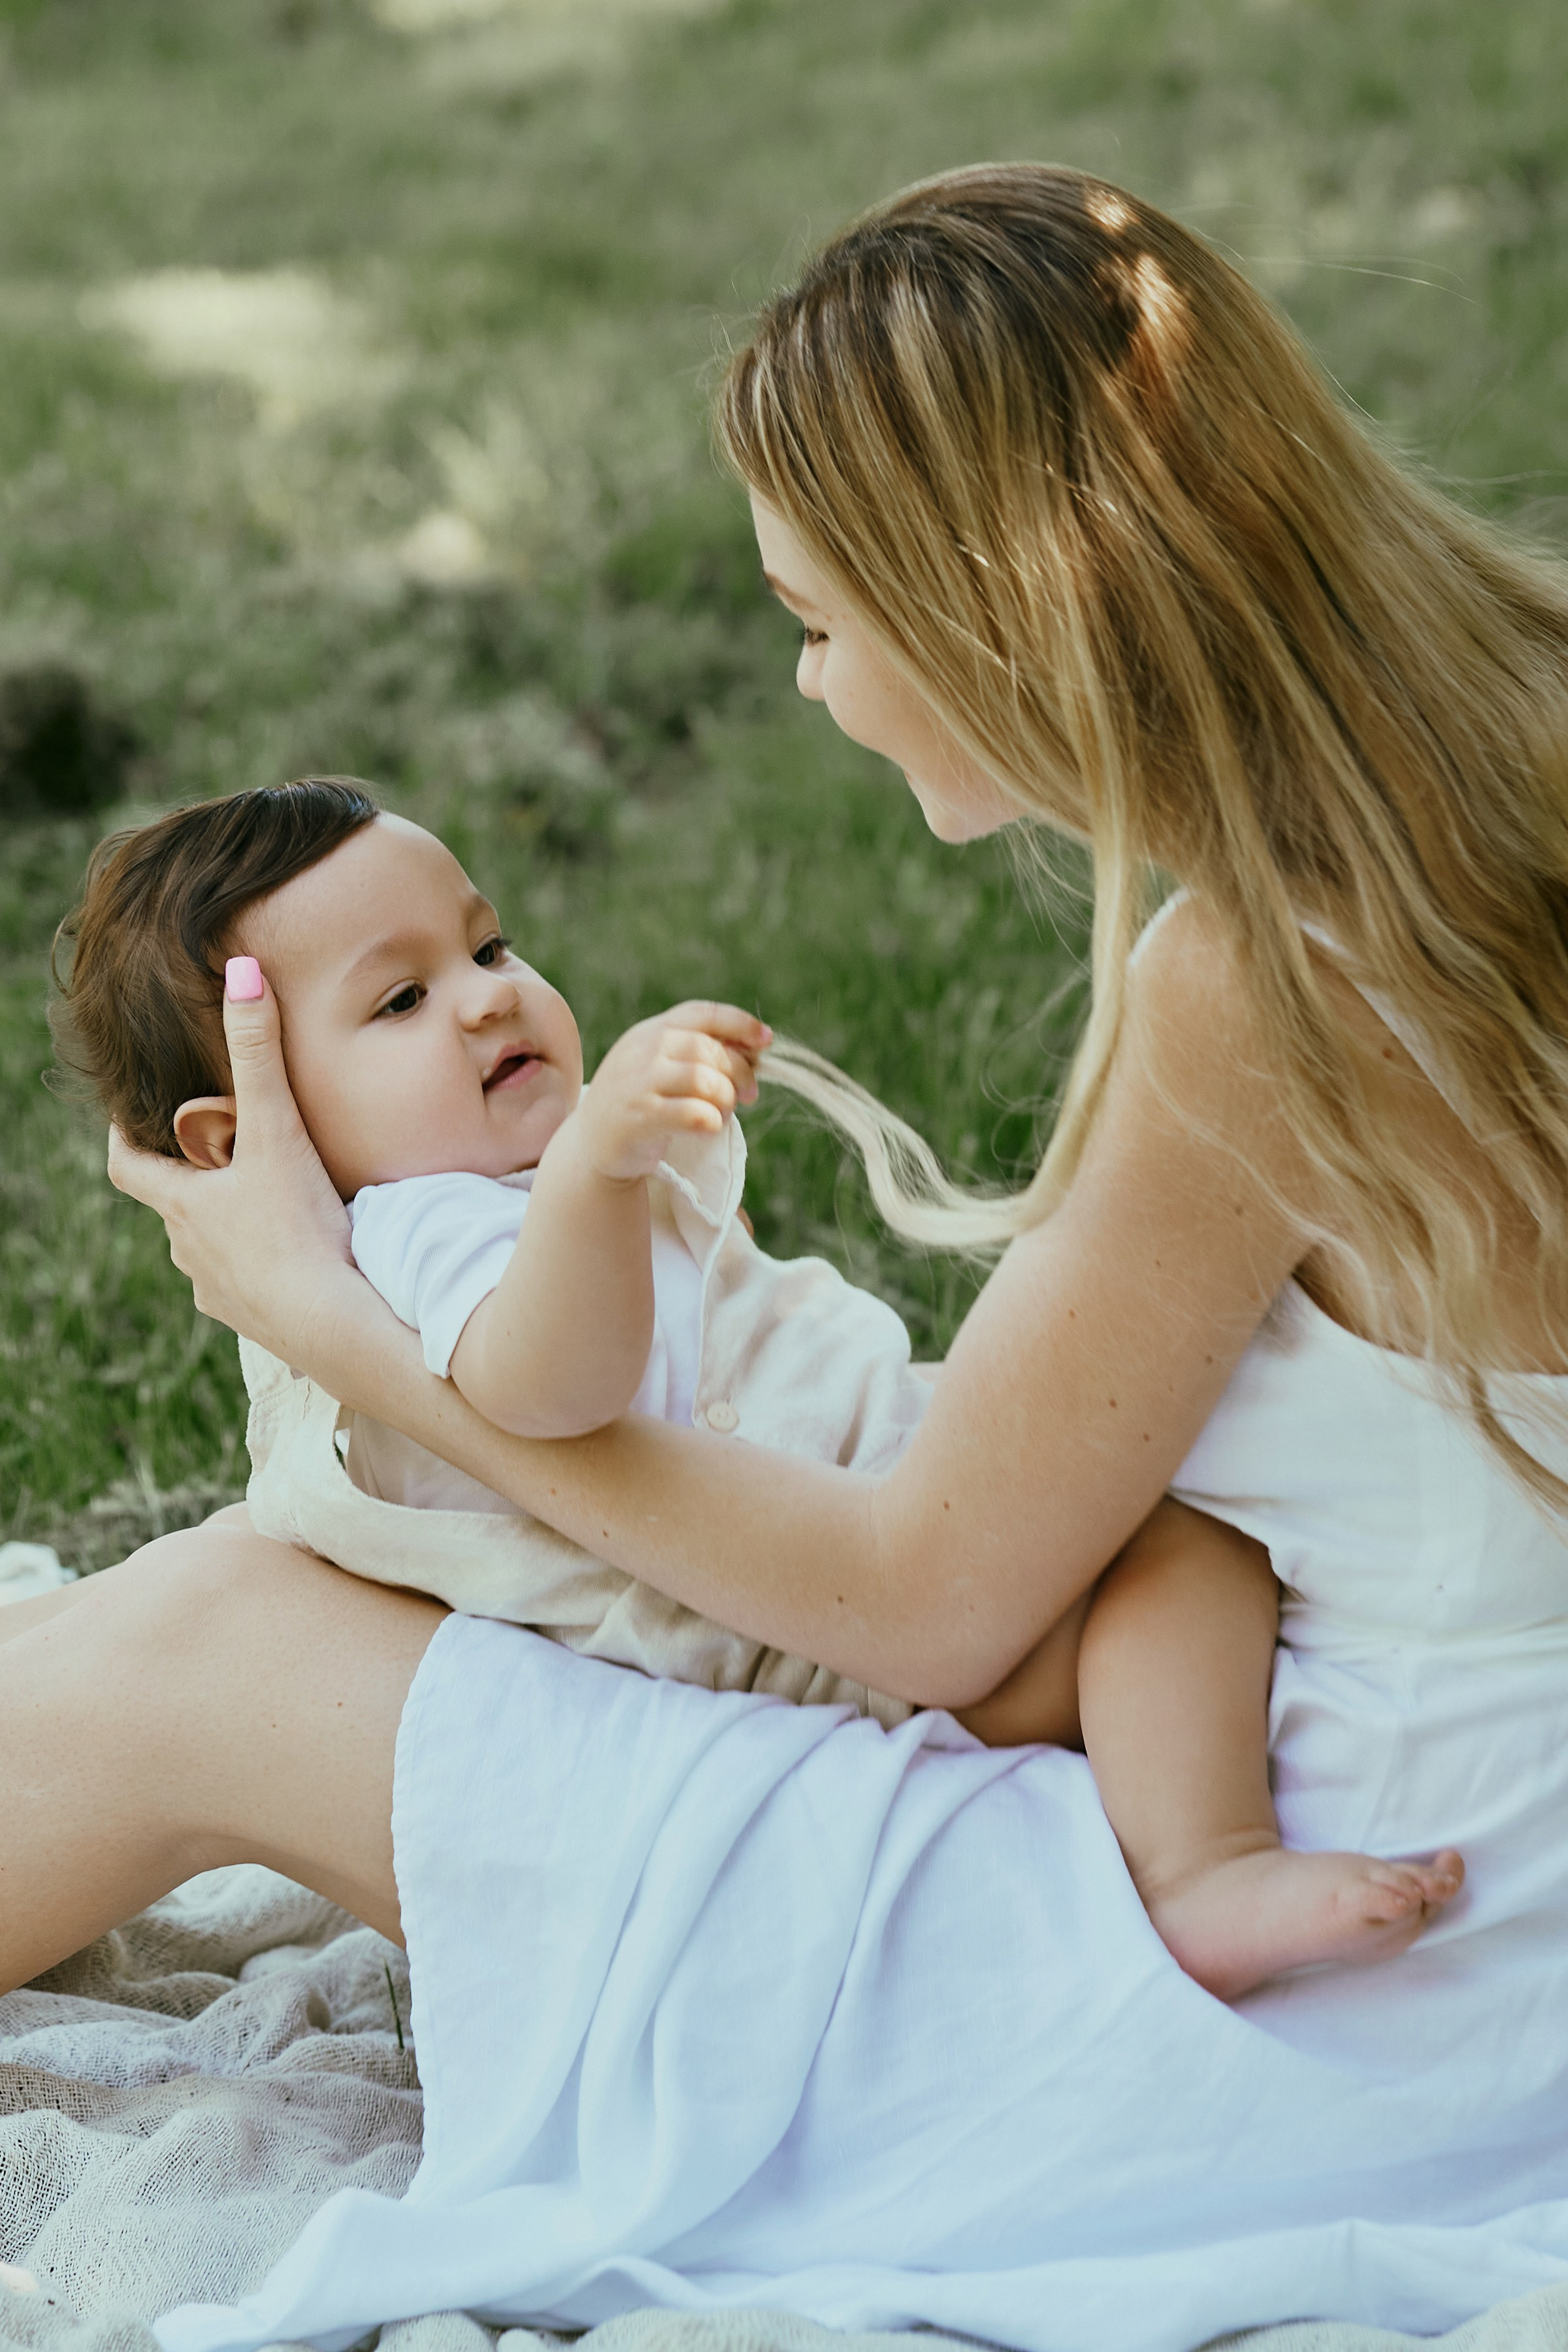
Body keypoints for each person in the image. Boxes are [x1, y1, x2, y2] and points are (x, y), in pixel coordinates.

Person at [8, 161, 1568, 2352]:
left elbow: (925, 1602)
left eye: (823, 616)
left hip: (1356, 2004)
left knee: (211, 1636)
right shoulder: (1522, 721)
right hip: (1421, 1860)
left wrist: (335, 1327)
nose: (817, 684)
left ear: (1005, 601)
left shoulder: (1270, 979)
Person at [54, 781, 1462, 1993]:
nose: (489, 994)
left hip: (850, 1532)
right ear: (252, 1132)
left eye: (489, 943)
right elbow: (548, 1385)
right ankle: (1203, 1862)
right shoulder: (420, 1232)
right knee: (1182, 1549)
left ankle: (1202, 1842)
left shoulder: (484, 1196)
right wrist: (599, 1168)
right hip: (800, 1637)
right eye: (406, 997)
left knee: (1172, 1534)